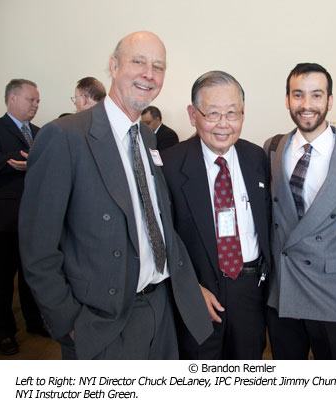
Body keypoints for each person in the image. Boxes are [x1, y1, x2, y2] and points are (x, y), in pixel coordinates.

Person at [19, 31, 212, 360]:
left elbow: (160, 224)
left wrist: (187, 284)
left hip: (161, 310)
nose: (148, 74)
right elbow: (37, 246)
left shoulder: (149, 141)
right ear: (113, 65)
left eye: (158, 66)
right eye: (138, 61)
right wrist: (69, 321)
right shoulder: (65, 137)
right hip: (104, 323)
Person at [263, 63, 336, 359]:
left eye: (316, 95)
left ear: (329, 100)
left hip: (333, 293)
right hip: (283, 291)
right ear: (288, 99)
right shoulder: (272, 148)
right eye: (298, 95)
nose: (306, 105)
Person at [161, 71, 270, 359]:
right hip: (199, 291)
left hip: (250, 288)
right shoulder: (170, 165)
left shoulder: (256, 158)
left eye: (232, 113)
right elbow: (162, 236)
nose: (223, 124)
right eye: (212, 113)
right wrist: (189, 288)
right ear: (192, 114)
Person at [0, 79, 46, 355]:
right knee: (3, 280)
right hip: (5, 220)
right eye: (31, 100)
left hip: (36, 218)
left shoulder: (41, 132)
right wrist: (13, 161)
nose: (36, 105)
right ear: (12, 99)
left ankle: (35, 322)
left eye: (38, 101)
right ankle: (4, 331)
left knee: (32, 277)